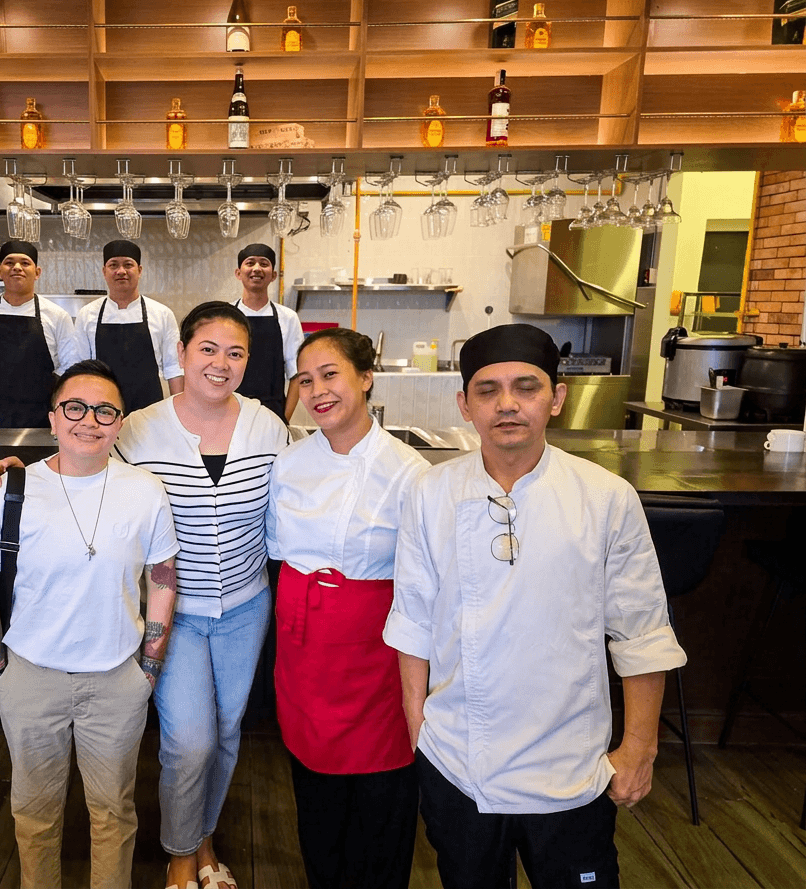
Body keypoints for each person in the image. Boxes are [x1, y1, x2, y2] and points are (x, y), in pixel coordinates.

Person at [0, 302, 289, 889]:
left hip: (246, 605)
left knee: (227, 733)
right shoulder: (142, 426)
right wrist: (23, 473)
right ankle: (180, 851)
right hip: (171, 610)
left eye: (235, 353)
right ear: (181, 353)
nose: (220, 363)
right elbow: (85, 462)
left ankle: (203, 840)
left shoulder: (268, 426)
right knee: (190, 739)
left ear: (249, 361)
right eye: (207, 349)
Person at [383, 323, 688, 889]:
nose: (507, 404)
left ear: (557, 398)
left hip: (571, 767)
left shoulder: (606, 498)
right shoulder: (430, 493)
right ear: (465, 405)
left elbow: (642, 633)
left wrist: (639, 748)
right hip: (459, 762)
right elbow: (413, 622)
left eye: (526, 387)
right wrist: (419, 732)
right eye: (488, 390)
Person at [0, 359, 180, 889]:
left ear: (120, 422)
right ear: (53, 417)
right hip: (30, 678)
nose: (90, 420)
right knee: (35, 815)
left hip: (117, 679)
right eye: (75, 407)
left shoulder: (145, 491)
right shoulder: (12, 491)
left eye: (105, 410)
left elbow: (162, 580)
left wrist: (147, 671)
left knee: (114, 813)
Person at [266, 327, 429, 889]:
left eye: (330, 375)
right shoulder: (288, 464)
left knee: (381, 798)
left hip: (375, 659)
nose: (317, 391)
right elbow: (277, 552)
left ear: (366, 378)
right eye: (305, 380)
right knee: (317, 799)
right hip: (304, 652)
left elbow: (422, 583)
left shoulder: (409, 472)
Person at [0, 240, 87, 428]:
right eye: (9, 262)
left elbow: (69, 365)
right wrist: (1, 389)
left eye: (25, 263)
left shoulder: (57, 316)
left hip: (42, 414)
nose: (17, 268)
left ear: (37, 272)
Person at [76, 239, 184, 413]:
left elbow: (174, 369)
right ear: (104, 271)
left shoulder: (162, 314)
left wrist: (179, 415)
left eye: (128, 265)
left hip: (151, 411)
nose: (121, 271)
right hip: (102, 411)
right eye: (113, 265)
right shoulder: (87, 315)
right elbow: (81, 372)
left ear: (139, 270)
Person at [232, 243, 304, 423]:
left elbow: (297, 375)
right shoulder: (226, 315)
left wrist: (283, 420)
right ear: (238, 273)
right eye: (250, 263)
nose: (257, 268)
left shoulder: (288, 318)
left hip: (273, 414)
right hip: (230, 412)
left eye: (264, 264)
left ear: (273, 275)